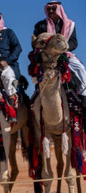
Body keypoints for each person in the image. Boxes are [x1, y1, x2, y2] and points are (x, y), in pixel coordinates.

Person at [33, 1, 86, 130]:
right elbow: (36, 42)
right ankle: (36, 97)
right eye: (49, 8)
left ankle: (84, 98)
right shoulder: (41, 25)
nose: (51, 11)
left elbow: (74, 42)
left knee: (81, 70)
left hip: (64, 54)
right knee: (36, 72)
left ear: (59, 9)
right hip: (47, 55)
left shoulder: (70, 25)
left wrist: (63, 50)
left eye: (54, 8)